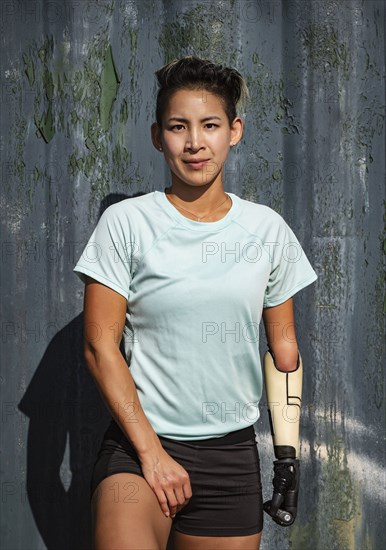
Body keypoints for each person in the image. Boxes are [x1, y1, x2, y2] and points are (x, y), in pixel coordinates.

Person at [73, 55, 318, 550]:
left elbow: (284, 351)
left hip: (231, 457)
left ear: (235, 130)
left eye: (209, 125)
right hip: (139, 449)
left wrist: (287, 458)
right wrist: (152, 454)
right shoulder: (126, 223)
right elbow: (101, 348)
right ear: (156, 135)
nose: (194, 143)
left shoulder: (266, 230)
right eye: (177, 126)